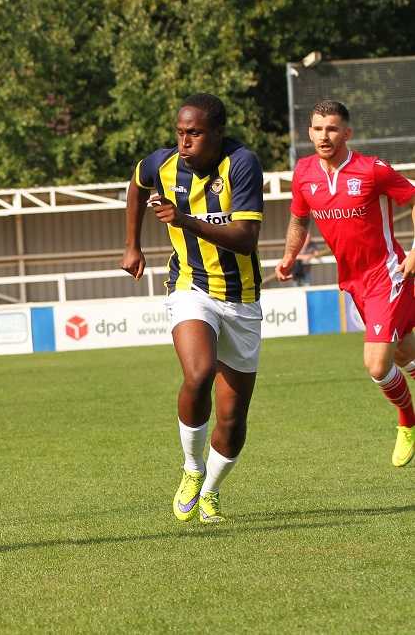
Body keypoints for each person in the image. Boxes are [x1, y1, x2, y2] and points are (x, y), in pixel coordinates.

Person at [120, 93, 264, 523]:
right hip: (190, 285)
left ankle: (212, 492)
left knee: (233, 417)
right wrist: (132, 244)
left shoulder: (241, 164)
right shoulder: (161, 164)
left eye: (195, 133)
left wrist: (184, 220)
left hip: (242, 298)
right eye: (181, 132)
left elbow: (245, 238)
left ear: (218, 133)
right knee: (198, 373)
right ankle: (191, 467)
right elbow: (136, 184)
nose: (185, 141)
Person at [275, 99, 415, 467]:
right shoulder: (303, 173)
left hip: (388, 274)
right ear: (309, 132)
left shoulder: (373, 170)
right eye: (318, 129)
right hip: (353, 282)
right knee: (401, 352)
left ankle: (408, 422)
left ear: (346, 133)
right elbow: (298, 222)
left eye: (332, 129)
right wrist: (290, 255)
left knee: (376, 363)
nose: (325, 135)